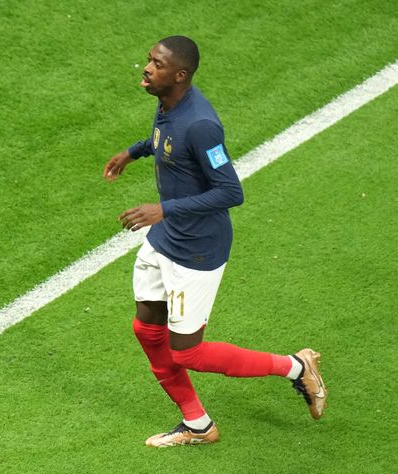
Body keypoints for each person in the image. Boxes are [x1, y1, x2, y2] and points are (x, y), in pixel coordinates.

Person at [102, 35, 327, 447]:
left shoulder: (202, 125)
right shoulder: (166, 101)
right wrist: (133, 153)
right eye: (149, 59)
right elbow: (163, 138)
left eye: (156, 63)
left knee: (188, 353)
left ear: (180, 75)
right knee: (147, 329)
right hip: (164, 238)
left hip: (196, 250)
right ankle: (198, 425)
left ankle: (296, 367)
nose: (147, 68)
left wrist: (164, 209)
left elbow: (230, 192)